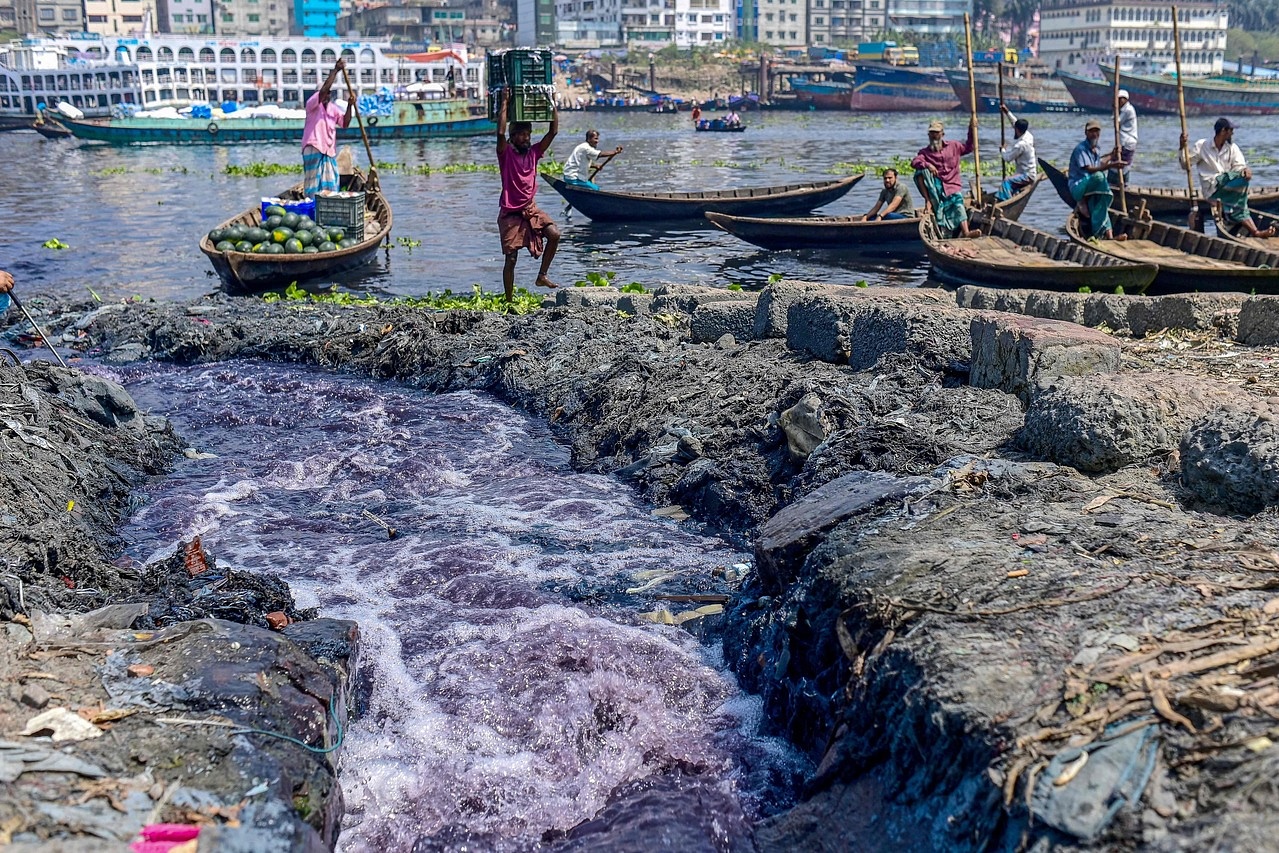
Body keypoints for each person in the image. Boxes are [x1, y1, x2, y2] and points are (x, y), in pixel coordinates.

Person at [496, 88, 560, 299]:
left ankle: (542, 275)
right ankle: (508, 300)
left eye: (528, 135)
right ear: (513, 138)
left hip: (530, 209)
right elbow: (499, 133)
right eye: (521, 135)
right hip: (510, 214)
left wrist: (552, 104)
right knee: (511, 258)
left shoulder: (533, 153)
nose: (526, 138)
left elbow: (553, 133)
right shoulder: (505, 154)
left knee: (554, 234)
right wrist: (505, 102)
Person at [1180, 118, 1276, 238]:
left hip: (1227, 187)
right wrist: (1182, 147)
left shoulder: (1232, 148)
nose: (1233, 133)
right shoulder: (1202, 146)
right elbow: (1185, 164)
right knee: (1227, 178)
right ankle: (1252, 229)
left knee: (1243, 181)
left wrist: (1245, 171)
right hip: (1212, 189)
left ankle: (1253, 230)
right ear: (1223, 131)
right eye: (1231, 130)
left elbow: (1240, 167)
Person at [910, 118, 980, 238]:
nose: (934, 136)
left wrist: (971, 129)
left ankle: (966, 232)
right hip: (937, 188)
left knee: (958, 204)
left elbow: (969, 147)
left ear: (942, 134)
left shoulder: (954, 146)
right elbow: (915, 162)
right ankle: (928, 201)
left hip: (952, 185)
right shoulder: (925, 152)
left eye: (936, 133)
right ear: (928, 135)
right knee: (919, 172)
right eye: (932, 133)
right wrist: (928, 165)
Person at [301, 59, 355, 198]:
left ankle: (327, 207)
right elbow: (324, 90)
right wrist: (335, 70)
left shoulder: (333, 109)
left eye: (330, 93)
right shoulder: (312, 104)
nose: (327, 95)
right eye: (325, 93)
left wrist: (350, 105)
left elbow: (345, 123)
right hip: (314, 147)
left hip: (329, 151)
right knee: (313, 184)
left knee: (330, 184)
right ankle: (312, 207)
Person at [1069, 118, 1125, 241]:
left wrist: (1112, 155)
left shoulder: (1096, 148)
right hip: (1078, 187)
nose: (1094, 134)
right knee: (1100, 176)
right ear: (1086, 133)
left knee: (1102, 204)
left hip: (1091, 185)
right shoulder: (1081, 149)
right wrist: (1111, 166)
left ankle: (1109, 236)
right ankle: (1081, 200)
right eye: (1091, 131)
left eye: (1096, 131)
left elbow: (1098, 163)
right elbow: (1090, 169)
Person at [997, 105, 1037, 201]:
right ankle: (1008, 195)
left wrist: (1002, 150)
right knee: (1010, 184)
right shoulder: (1028, 135)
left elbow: (1007, 158)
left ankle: (1004, 200)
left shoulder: (1021, 145)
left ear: (1018, 130)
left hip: (1027, 175)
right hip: (1027, 172)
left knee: (1006, 181)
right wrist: (1007, 112)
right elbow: (1014, 122)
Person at [1112, 88, 1138, 184]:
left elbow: (1117, 123)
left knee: (1120, 164)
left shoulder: (1128, 110)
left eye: (1120, 99)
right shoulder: (1124, 109)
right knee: (1121, 163)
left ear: (1125, 99)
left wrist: (1115, 110)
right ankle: (1119, 183)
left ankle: (1121, 184)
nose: (1118, 101)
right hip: (1125, 141)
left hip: (1127, 142)